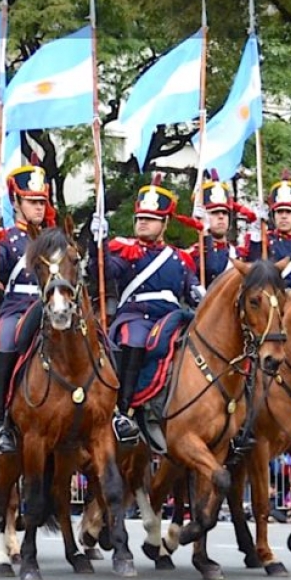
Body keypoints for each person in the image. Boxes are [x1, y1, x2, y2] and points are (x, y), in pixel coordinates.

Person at [89, 175, 202, 450]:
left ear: (164, 224)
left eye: (150, 219)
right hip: (137, 315)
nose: (143, 222)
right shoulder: (124, 251)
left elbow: (190, 287)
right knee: (135, 340)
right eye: (140, 217)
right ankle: (125, 410)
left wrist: (200, 293)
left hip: (173, 317)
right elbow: (102, 272)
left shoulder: (178, 258)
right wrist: (98, 244)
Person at [0, 164, 57, 454]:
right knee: (5, 340)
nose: (39, 208)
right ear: (16, 203)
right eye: (32, 202)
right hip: (17, 306)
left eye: (42, 202)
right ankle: (0, 419)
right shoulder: (8, 237)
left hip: (51, 305)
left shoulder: (51, 239)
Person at [188, 169, 256, 286]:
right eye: (214, 213)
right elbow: (211, 268)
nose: (221, 216)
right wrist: (204, 234)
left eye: (224, 213)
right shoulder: (193, 255)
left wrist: (256, 228)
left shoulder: (238, 254)